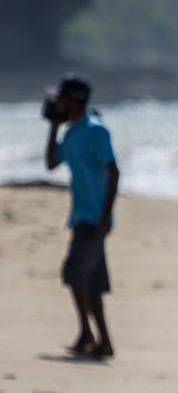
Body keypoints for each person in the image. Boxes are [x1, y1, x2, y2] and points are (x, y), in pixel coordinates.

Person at [44, 76, 119, 359]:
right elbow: (51, 163)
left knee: (75, 274)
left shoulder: (96, 131)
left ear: (73, 100)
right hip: (80, 216)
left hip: (93, 218)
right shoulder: (72, 132)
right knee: (92, 281)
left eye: (61, 99)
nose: (56, 104)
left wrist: (105, 215)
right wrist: (53, 126)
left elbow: (113, 170)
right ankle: (101, 340)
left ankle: (90, 334)